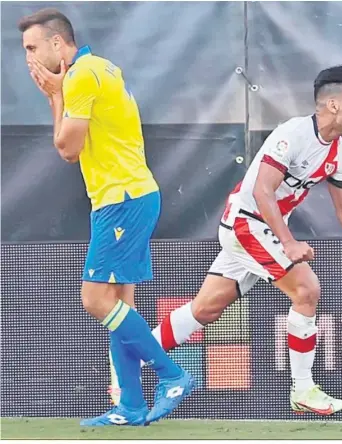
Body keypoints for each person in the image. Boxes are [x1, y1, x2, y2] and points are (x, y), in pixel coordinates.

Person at [111, 65, 342, 415]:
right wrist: (288, 243)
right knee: (307, 289)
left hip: (260, 230)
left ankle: (127, 364)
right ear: (333, 105)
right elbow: (262, 191)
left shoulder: (338, 154)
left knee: (205, 310)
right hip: (247, 223)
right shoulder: (294, 134)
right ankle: (303, 389)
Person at [19, 8, 195, 426]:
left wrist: (55, 98)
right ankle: (131, 406)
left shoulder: (80, 76)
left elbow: (67, 150)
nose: (27, 57)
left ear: (58, 44)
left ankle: (172, 375)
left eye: (32, 47)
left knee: (95, 299)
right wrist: (60, 94)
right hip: (127, 196)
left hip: (123, 199)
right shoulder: (99, 68)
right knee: (120, 302)